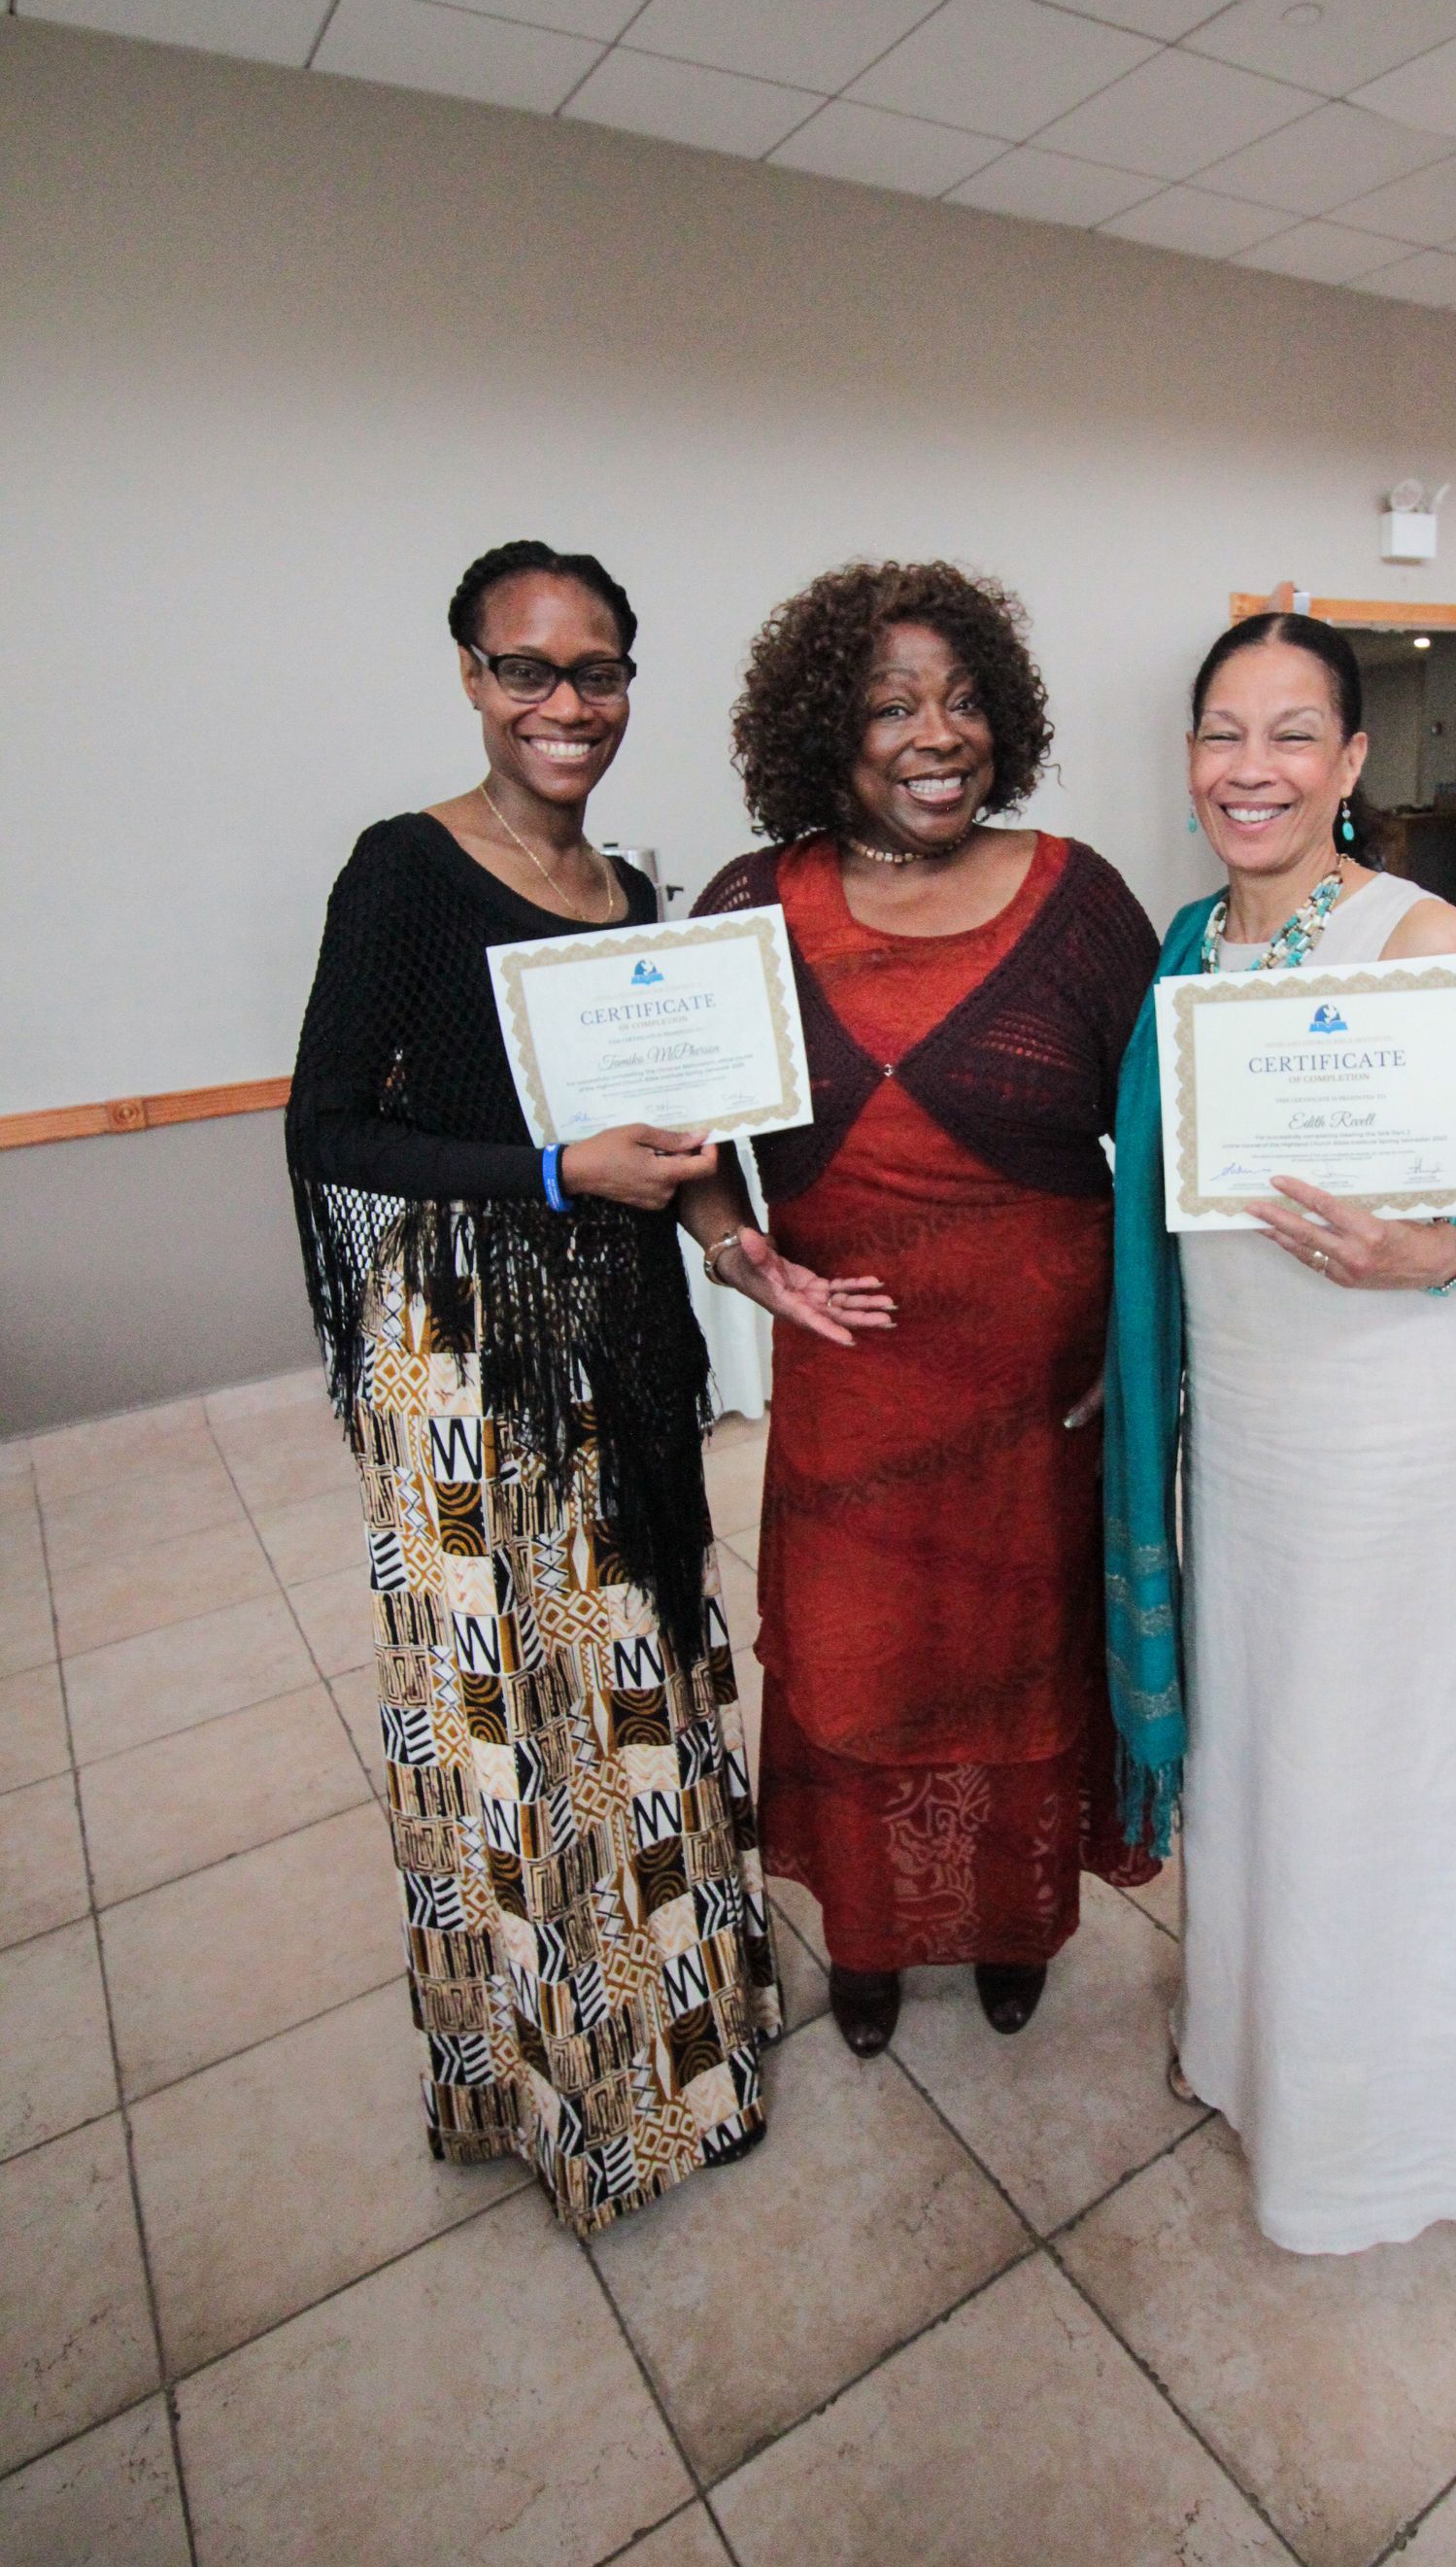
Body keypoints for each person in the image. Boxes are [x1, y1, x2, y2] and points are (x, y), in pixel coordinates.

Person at [287, 538, 888, 2232]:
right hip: (469, 1363)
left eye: (599, 671)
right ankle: (558, 2097)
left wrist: (731, 1238)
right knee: (515, 1738)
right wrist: (558, 1174)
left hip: (620, 1345)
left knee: (641, 1692)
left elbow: (673, 1147)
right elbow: (338, 1127)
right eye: (528, 669)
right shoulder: (405, 874)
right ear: (470, 678)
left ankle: (686, 2056)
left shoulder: (633, 896)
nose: (567, 704)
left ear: (632, 681)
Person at [1103, 610, 1456, 2256]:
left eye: (1293, 733)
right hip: (1235, 1433)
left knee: (1381, 1760)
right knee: (1261, 1753)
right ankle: (1260, 2060)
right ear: (1191, 761)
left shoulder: (1412, 934)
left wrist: (1437, 1247)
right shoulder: (1186, 950)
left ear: (1354, 761)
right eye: (1223, 733)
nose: (1254, 769)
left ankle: (1393, 2126)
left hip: (1380, 1428)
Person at [694, 561, 1160, 2056]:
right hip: (855, 1383)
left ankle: (1014, 1924)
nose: (934, 733)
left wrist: (1137, 1342)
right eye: (892, 705)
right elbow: (682, 1140)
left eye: (962, 700)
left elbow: (1168, 1145)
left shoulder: (1078, 899)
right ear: (828, 730)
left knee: (1017, 1670)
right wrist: (728, 1244)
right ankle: (878, 1943)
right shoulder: (750, 907)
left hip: (1039, 1386)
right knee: (860, 1660)